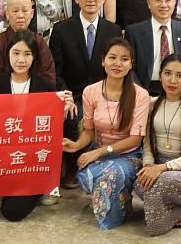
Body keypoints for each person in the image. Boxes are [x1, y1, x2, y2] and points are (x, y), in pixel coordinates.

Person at [62, 38, 150, 230]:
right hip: (99, 150)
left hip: (130, 155)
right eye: (112, 58)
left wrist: (100, 152)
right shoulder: (90, 92)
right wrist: (77, 145)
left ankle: (116, 212)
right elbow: (88, 131)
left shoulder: (140, 95)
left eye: (124, 59)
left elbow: (136, 138)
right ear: (103, 61)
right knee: (85, 177)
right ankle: (120, 199)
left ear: (131, 64)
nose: (118, 63)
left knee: (111, 175)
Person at [0, 31, 76, 217]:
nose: (21, 59)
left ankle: (42, 186)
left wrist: (65, 109)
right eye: (16, 53)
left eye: (27, 54)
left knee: (13, 213)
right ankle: (2, 187)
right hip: (4, 157)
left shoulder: (46, 86)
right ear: (8, 54)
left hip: (33, 160)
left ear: (34, 57)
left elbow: (52, 127)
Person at [50, 0, 123, 189]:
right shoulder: (62, 29)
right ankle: (73, 167)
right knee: (72, 116)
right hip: (73, 93)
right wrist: (66, 95)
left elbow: (118, 68)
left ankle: (105, 163)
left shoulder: (113, 30)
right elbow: (56, 70)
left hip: (105, 93)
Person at [134, 54, 181, 236]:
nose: (172, 80)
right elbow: (148, 146)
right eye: (167, 73)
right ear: (160, 75)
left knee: (164, 181)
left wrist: (160, 169)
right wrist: (148, 166)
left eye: (180, 75)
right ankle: (177, 207)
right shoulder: (152, 104)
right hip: (157, 164)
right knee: (139, 180)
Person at [0, 0, 56, 84]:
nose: (20, 15)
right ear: (7, 14)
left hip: (35, 95)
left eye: (25, 11)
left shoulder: (39, 41)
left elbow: (48, 76)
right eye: (15, 11)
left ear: (32, 14)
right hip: (5, 95)